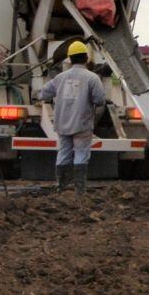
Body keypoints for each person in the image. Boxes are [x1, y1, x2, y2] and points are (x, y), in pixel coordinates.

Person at [38, 40, 105, 192]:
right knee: (81, 154)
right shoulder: (92, 78)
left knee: (63, 153)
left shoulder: (60, 78)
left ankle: (61, 187)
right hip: (82, 124)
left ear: (70, 58)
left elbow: (42, 93)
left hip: (62, 123)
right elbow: (99, 100)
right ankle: (79, 190)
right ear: (86, 58)